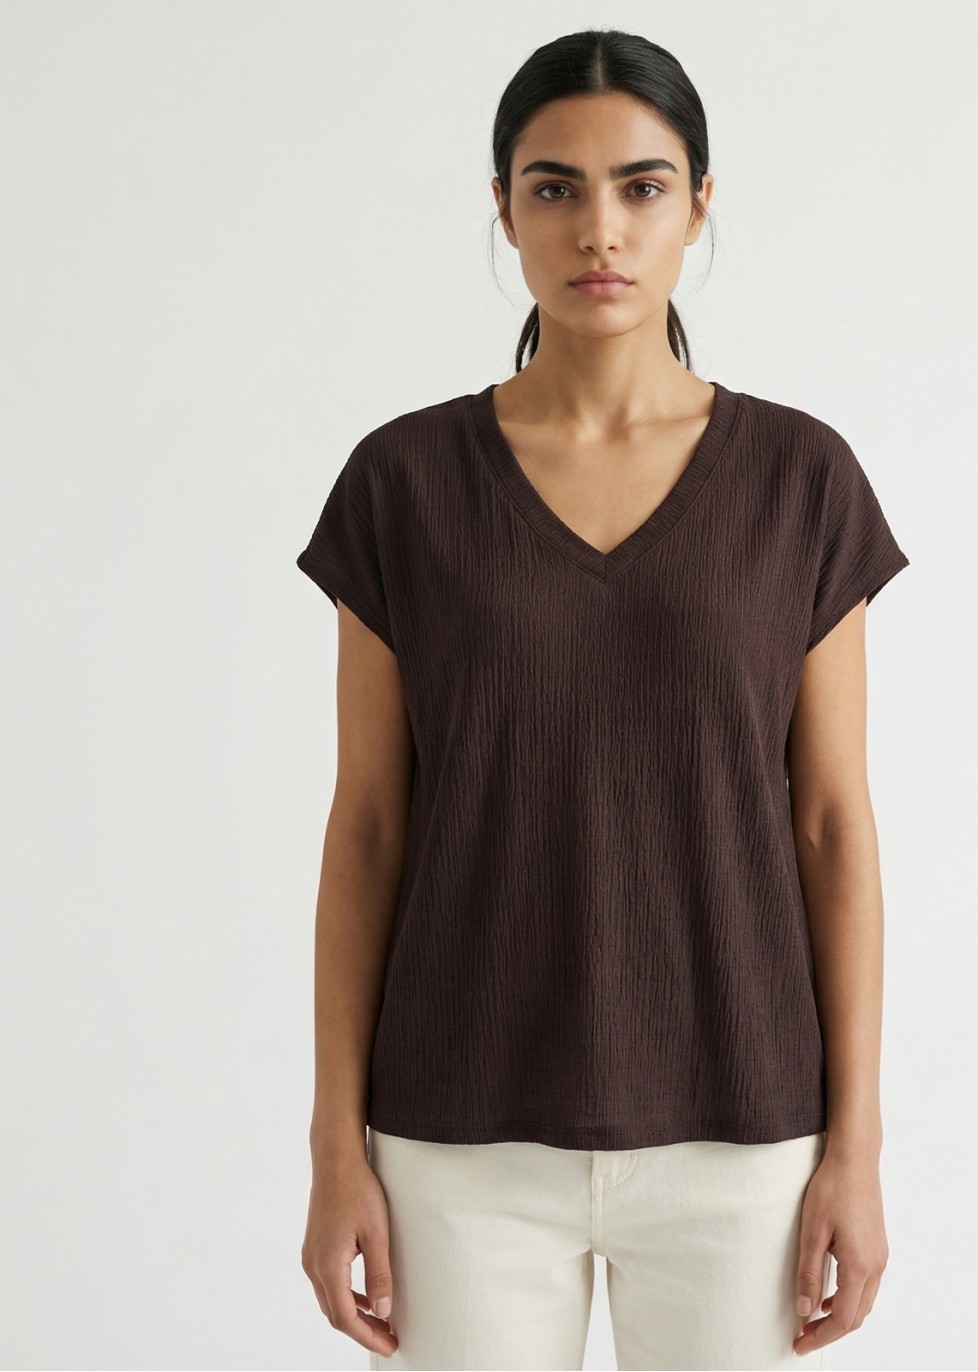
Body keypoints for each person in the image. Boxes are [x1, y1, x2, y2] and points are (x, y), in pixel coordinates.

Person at [297, 27, 908, 1372]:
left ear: (699, 204)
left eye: (642, 186)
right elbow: (369, 830)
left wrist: (855, 1147)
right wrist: (337, 1146)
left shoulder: (800, 482)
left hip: (742, 1129)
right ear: (504, 208)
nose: (600, 230)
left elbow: (832, 827)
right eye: (554, 188)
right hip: (456, 1138)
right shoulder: (405, 486)